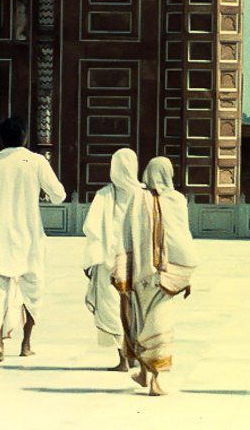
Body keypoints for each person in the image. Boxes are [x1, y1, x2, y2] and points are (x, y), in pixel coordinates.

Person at [0, 116, 66, 363]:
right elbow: (59, 195)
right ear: (24, 137)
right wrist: (42, 190)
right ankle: (25, 344)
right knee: (33, 291)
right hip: (29, 235)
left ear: (2, 138)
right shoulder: (36, 161)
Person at [115, 156, 198, 396]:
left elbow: (124, 235)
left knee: (142, 324)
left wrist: (123, 270)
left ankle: (144, 372)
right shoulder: (177, 200)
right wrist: (186, 274)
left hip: (142, 274)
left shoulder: (136, 197)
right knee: (159, 325)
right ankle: (155, 382)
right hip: (165, 275)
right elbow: (183, 238)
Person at [82, 147, 140, 371]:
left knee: (114, 308)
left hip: (109, 263)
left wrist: (92, 261)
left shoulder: (105, 195)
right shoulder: (145, 193)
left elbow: (91, 228)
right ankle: (133, 354)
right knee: (135, 309)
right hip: (139, 263)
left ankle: (124, 359)